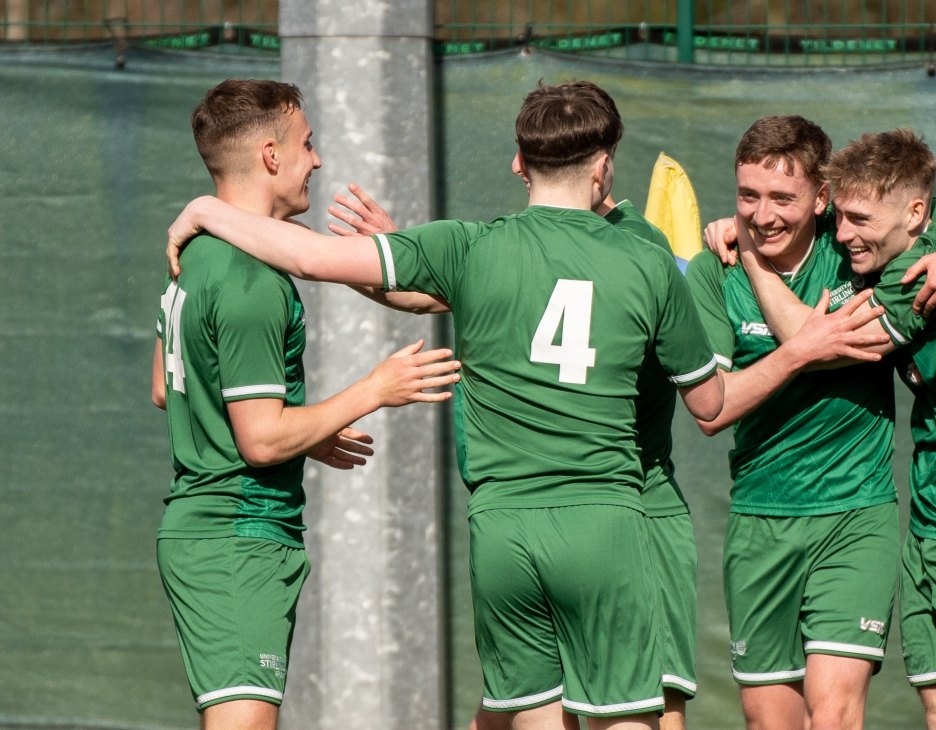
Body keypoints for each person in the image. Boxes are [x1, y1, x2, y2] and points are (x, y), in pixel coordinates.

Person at [164, 80, 725, 730]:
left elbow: (315, 259)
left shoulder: (468, 247)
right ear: (603, 166)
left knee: (526, 718)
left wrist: (208, 210)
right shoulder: (647, 258)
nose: (316, 159)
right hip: (604, 518)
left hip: (503, 531)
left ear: (518, 162)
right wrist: (711, 293)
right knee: (629, 718)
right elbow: (710, 402)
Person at [685, 115, 936, 730]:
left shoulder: (858, 250)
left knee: (837, 713)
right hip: (760, 520)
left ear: (820, 198)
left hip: (858, 515)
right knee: (772, 719)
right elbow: (712, 408)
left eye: (782, 199)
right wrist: (733, 240)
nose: (763, 216)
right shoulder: (717, 269)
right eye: (748, 198)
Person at [327, 180, 704, 730]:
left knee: (645, 702)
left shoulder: (637, 247)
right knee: (518, 707)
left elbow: (711, 401)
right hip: (527, 514)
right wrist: (397, 257)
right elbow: (432, 293)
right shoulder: (509, 243)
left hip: (628, 511)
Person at [151, 78, 462, 730]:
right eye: (308, 144)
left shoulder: (195, 255)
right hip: (237, 536)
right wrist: (372, 391)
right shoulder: (249, 276)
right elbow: (260, 440)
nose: (317, 161)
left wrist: (303, 429)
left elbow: (168, 385)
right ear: (270, 155)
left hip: (209, 531)